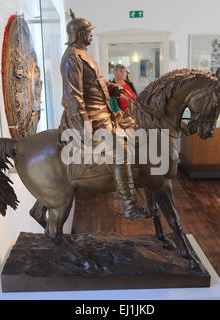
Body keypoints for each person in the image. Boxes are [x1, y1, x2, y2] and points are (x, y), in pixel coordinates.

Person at [59, 9, 149, 220]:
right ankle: (129, 205)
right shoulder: (72, 57)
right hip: (92, 118)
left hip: (103, 113)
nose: (91, 34)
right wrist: (86, 127)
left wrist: (111, 88)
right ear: (79, 34)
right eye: (88, 31)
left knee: (135, 127)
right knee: (121, 151)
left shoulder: (82, 54)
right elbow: (74, 96)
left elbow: (95, 85)